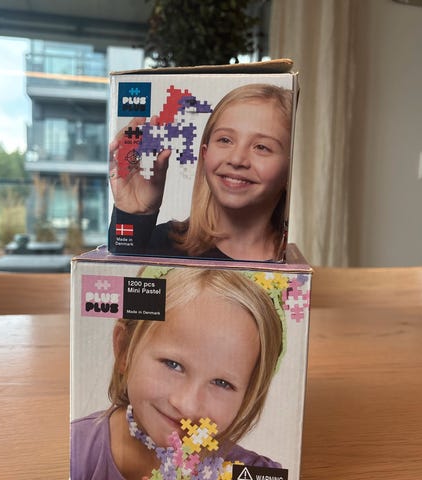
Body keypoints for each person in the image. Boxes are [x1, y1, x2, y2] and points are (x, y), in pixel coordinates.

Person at [71, 267, 285, 480]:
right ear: (125, 350)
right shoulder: (74, 448)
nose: (187, 405)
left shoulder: (253, 473)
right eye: (173, 365)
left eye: (221, 383)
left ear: (248, 395)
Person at [108, 83, 293, 262]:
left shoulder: (292, 265)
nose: (237, 159)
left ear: (290, 169)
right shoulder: (162, 244)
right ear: (205, 154)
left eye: (261, 147)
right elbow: (117, 278)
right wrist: (134, 214)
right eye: (225, 140)